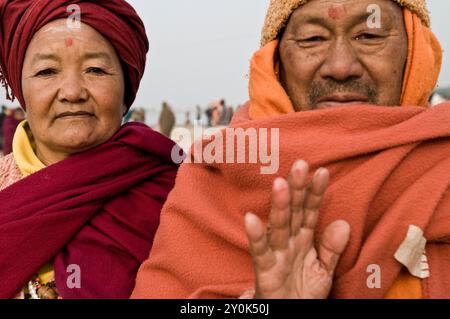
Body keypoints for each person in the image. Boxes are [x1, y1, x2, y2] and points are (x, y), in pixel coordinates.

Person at [132, 0, 450, 299]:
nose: (340, 67)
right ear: (275, 62)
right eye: (312, 38)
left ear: (416, 51)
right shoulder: (214, 180)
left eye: (369, 35)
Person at [0, 0, 180, 299]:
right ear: (21, 91)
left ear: (127, 91)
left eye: (95, 69)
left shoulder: (178, 194)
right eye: (47, 71)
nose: (72, 92)